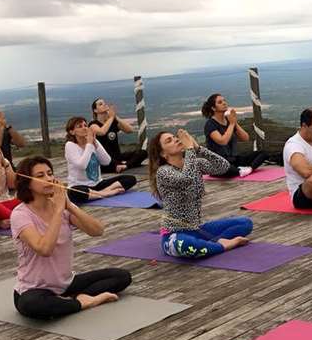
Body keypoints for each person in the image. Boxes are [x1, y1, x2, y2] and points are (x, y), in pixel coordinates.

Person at [11, 156, 132, 320]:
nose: (49, 179)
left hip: (66, 284)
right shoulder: (20, 215)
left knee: (122, 276)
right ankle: (83, 302)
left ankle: (68, 301)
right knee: (30, 305)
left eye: (50, 173)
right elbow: (44, 249)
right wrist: (59, 210)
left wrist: (69, 206)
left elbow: (97, 231)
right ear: (27, 183)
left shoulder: (62, 206)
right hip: (34, 289)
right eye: (40, 176)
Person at [148, 128, 253, 258]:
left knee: (245, 223)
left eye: (175, 137)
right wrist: (190, 149)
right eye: (169, 140)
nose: (176, 139)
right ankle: (223, 245)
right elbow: (186, 178)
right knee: (186, 245)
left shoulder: (194, 163)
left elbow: (223, 166)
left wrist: (198, 149)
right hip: (174, 234)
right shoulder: (163, 172)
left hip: (197, 228)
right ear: (163, 154)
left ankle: (210, 244)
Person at [63, 117, 138, 204]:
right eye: (80, 126)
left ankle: (104, 192)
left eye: (85, 125)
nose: (84, 128)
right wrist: (89, 144)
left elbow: (106, 161)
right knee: (74, 193)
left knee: (130, 179)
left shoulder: (94, 142)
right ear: (72, 132)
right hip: (80, 186)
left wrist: (96, 145)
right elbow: (82, 165)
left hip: (98, 184)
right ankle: (105, 193)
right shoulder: (70, 145)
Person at [201, 93, 266, 177]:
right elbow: (222, 141)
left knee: (263, 154)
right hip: (218, 162)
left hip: (234, 159)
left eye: (224, 101)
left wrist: (234, 122)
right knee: (227, 169)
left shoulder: (229, 121)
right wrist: (231, 124)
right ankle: (239, 170)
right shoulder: (210, 124)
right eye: (220, 102)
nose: (224, 103)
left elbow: (245, 138)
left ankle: (248, 169)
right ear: (213, 108)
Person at [89, 98, 147, 172]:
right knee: (105, 165)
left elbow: (130, 130)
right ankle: (124, 165)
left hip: (117, 156)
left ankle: (125, 166)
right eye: (100, 104)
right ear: (95, 110)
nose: (104, 105)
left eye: (104, 103)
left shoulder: (112, 122)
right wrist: (111, 117)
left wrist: (115, 117)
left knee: (143, 153)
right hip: (105, 159)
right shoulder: (93, 124)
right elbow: (102, 132)